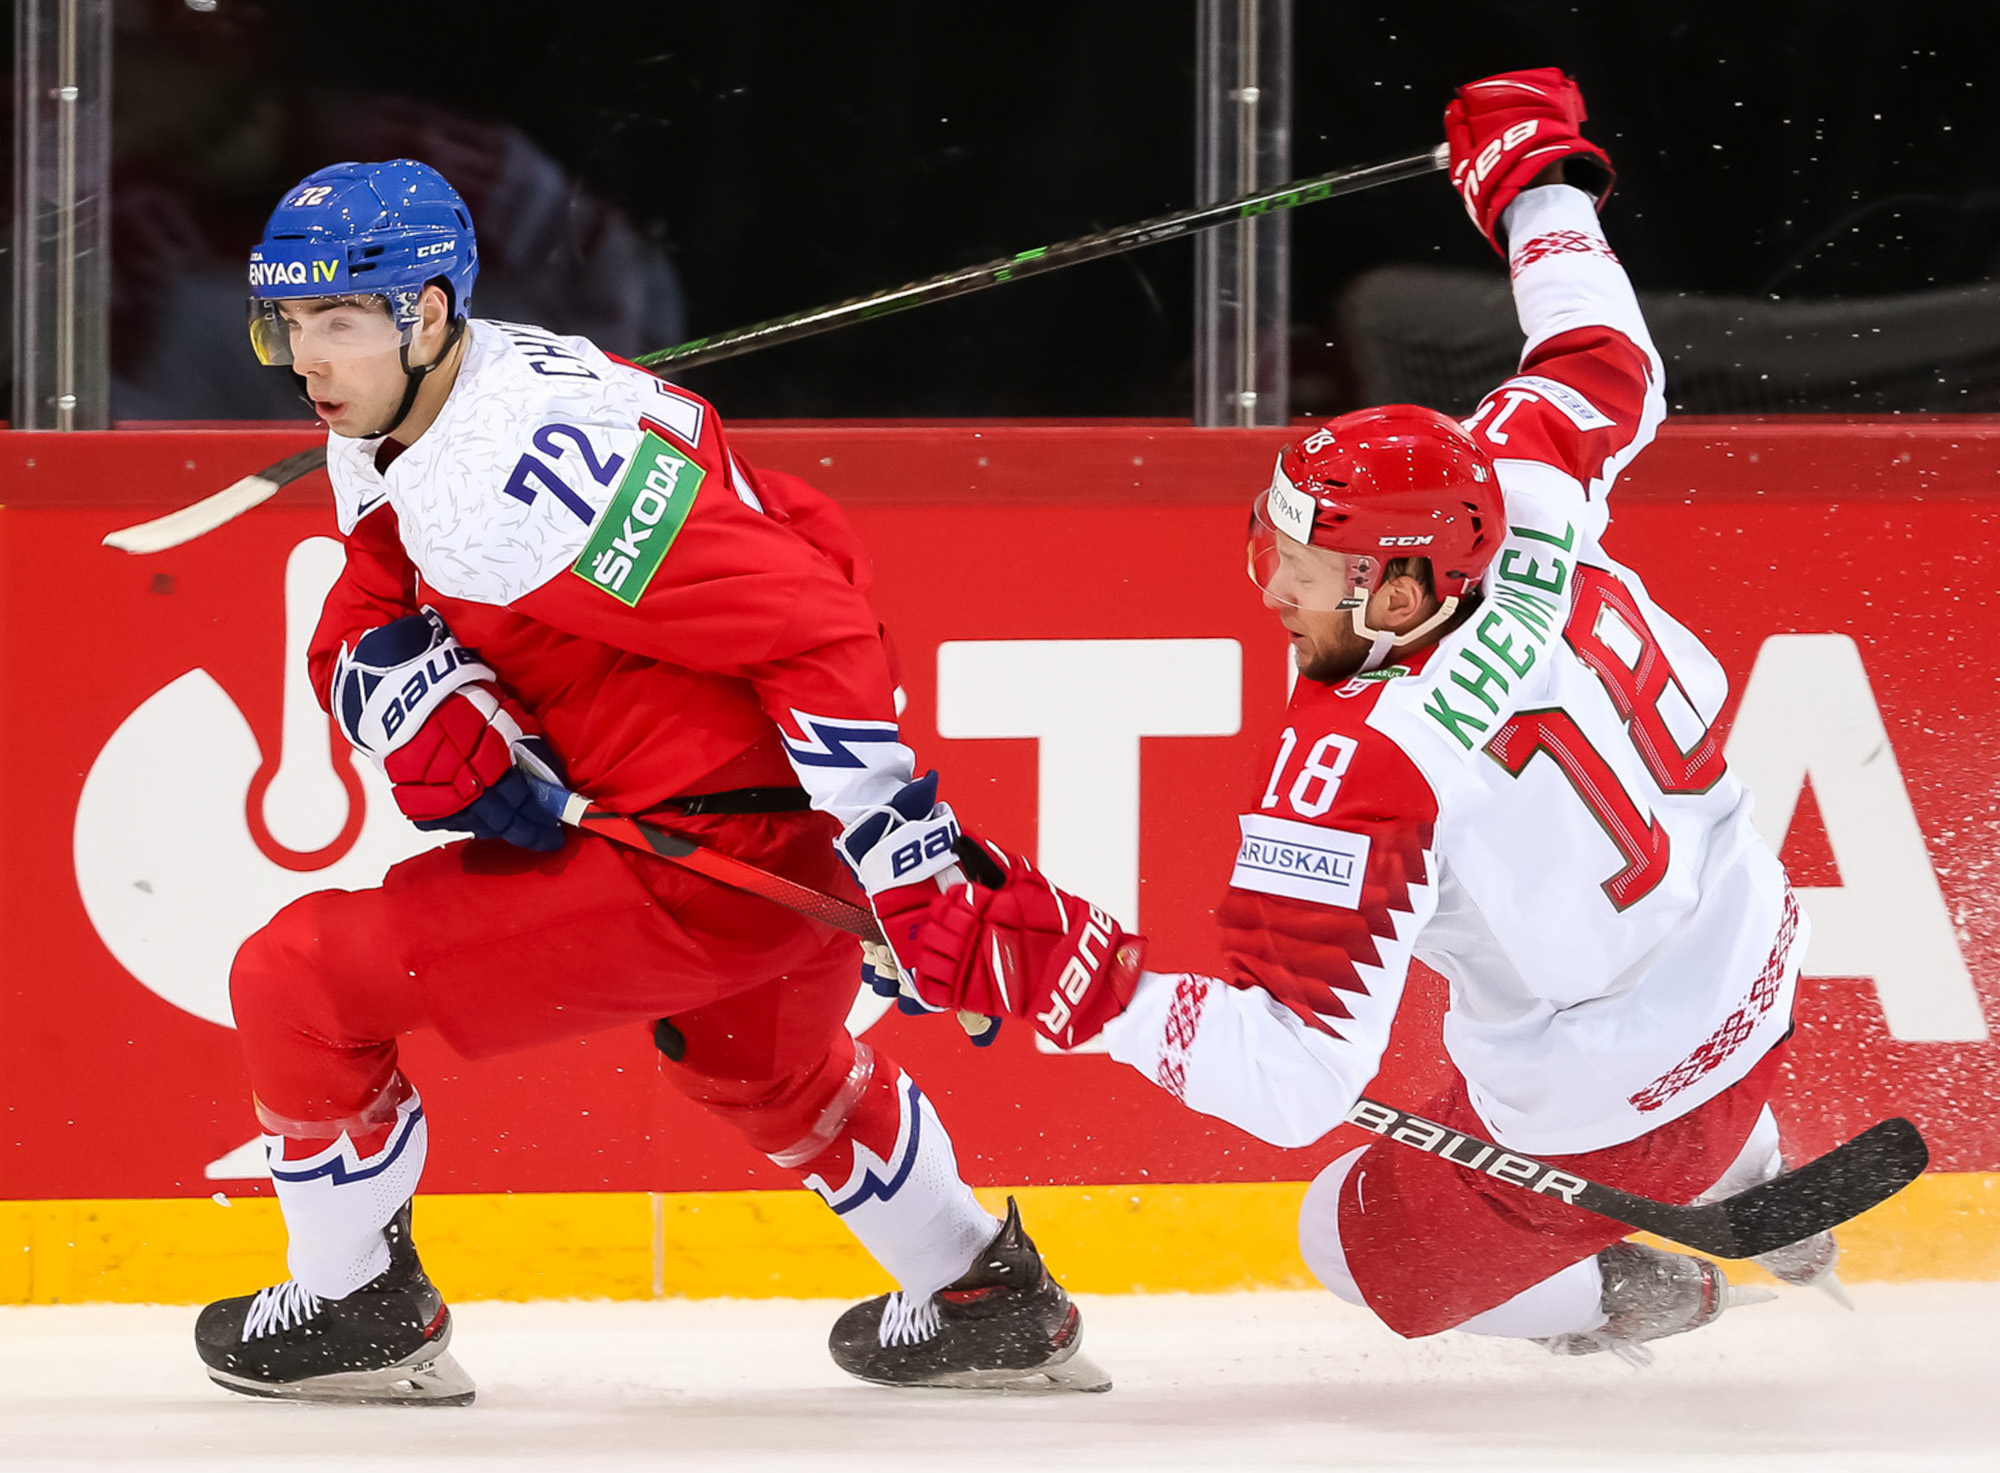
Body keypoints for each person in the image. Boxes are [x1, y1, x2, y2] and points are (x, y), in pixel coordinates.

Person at [889, 69, 1842, 1364]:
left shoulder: (1367, 762)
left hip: (1613, 1103)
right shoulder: (1520, 486)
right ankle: (1753, 1176)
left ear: (1400, 588)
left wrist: (1082, 987)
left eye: (1312, 563)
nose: (1273, 584)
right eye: (1274, 536)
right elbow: (1601, 356)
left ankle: (1665, 1281)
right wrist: (1537, 185)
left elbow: (1296, 1085)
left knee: (1345, 1239)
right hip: (1751, 968)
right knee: (1606, 1019)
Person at [196, 158, 1105, 1403]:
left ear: (426, 313)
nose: (307, 360)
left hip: (694, 855)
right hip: (754, 836)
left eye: (337, 324)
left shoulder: (521, 478)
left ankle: (354, 1307)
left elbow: (809, 619)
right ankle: (983, 1297)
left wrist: (904, 852)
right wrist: (382, 674)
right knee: (754, 1060)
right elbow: (384, 561)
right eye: (289, 325)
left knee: (295, 981)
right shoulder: (438, 395)